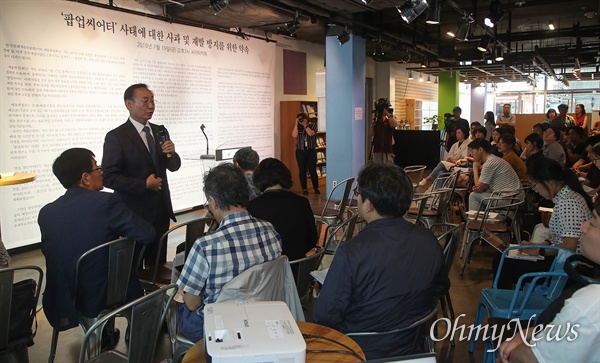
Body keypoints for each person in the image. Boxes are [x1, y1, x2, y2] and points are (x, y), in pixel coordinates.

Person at [313, 162, 449, 360]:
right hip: (413, 348)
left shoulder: (351, 252)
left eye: (358, 192)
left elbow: (324, 317)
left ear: (369, 204)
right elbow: (440, 288)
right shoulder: (429, 240)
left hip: (358, 350)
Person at [38, 148, 155, 334]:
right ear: (85, 178)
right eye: (97, 168)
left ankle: (104, 335)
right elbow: (147, 234)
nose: (101, 172)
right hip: (101, 293)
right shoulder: (106, 202)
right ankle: (139, 337)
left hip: (62, 294)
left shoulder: (46, 212)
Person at [176, 163, 282, 343]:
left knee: (179, 303)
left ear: (214, 202)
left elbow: (192, 304)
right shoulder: (270, 231)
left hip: (216, 326)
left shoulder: (205, 247)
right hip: (261, 316)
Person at [497, 203, 600, 363]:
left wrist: (513, 349)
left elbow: (532, 359)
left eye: (592, 222)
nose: (583, 226)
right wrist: (534, 331)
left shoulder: (590, 302)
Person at [102, 83, 181, 267]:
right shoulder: (117, 136)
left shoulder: (159, 130)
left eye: (153, 101)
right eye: (145, 101)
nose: (151, 106)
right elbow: (109, 177)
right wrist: (143, 184)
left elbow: (174, 166)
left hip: (160, 210)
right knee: (134, 267)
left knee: (157, 265)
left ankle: (157, 296)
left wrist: (172, 152)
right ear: (129, 104)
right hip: (134, 213)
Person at [493, 157, 593, 289]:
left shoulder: (568, 202)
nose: (536, 190)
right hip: (564, 260)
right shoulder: (566, 196)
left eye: (535, 185)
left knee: (503, 262)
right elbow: (563, 239)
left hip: (568, 266)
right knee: (504, 256)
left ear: (549, 182)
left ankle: (504, 302)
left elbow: (570, 246)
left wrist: (540, 251)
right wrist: (538, 245)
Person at [247, 158, 317, 264]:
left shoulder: (252, 207)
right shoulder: (302, 202)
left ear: (258, 178)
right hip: (298, 268)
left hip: (268, 271)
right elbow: (311, 239)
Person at [467, 138, 523, 212]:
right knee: (478, 194)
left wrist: (475, 168)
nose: (471, 154)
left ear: (480, 150)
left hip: (510, 199)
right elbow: (482, 187)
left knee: (473, 196)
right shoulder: (493, 159)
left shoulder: (489, 163)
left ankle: (473, 223)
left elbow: (479, 186)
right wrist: (479, 188)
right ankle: (480, 221)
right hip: (512, 197)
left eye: (472, 151)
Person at [292, 112, 320, 195]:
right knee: (302, 170)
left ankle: (316, 188)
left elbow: (311, 133)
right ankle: (304, 189)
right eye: (299, 119)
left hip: (311, 151)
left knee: (312, 170)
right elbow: (294, 135)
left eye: (302, 119)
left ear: (306, 119)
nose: (301, 120)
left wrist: (305, 125)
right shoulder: (298, 127)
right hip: (300, 151)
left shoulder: (313, 125)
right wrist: (296, 124)